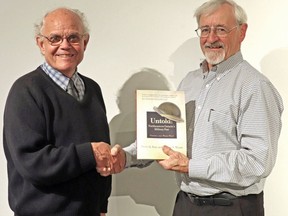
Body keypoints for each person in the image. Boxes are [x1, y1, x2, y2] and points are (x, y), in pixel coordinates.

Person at [111, 0, 284, 215]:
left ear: (242, 31)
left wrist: (190, 166)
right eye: (205, 30)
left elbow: (257, 162)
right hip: (186, 205)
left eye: (221, 29)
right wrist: (126, 157)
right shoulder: (190, 82)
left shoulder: (256, 87)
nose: (211, 38)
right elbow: (163, 138)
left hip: (231, 209)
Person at [3, 7, 117, 216]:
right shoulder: (26, 91)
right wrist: (89, 153)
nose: (64, 45)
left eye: (73, 37)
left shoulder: (92, 89)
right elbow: (32, 162)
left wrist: (102, 205)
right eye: (55, 38)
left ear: (85, 42)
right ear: (41, 44)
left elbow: (101, 153)